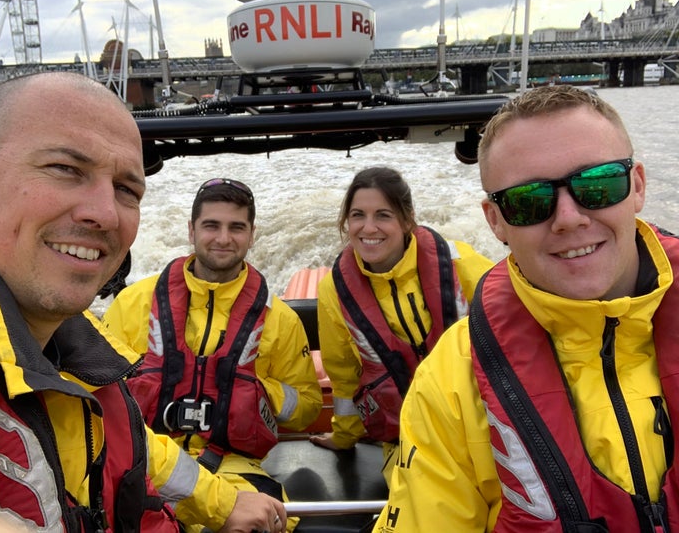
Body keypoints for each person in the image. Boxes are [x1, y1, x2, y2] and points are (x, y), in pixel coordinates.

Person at [0, 72, 287, 533]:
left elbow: (128, 440)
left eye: (126, 190)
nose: (105, 213)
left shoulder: (72, 343)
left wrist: (222, 501)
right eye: (65, 169)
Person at [373, 84, 679, 532]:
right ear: (495, 220)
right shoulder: (450, 384)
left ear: (636, 187)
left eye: (598, 184)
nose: (569, 217)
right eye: (528, 201)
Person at [102, 177, 323, 532]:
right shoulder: (132, 304)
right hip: (144, 463)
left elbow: (309, 406)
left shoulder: (280, 319)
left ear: (252, 235)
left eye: (236, 227)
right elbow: (100, 396)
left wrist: (257, 392)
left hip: (237, 470)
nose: (223, 238)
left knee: (262, 525)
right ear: (191, 231)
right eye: (211, 225)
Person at [308, 166, 494, 484]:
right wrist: (344, 437)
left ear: (407, 220)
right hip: (404, 441)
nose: (368, 228)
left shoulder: (459, 264)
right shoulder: (333, 292)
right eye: (357, 215)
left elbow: (517, 326)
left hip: (483, 429)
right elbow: (344, 376)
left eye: (383, 215)